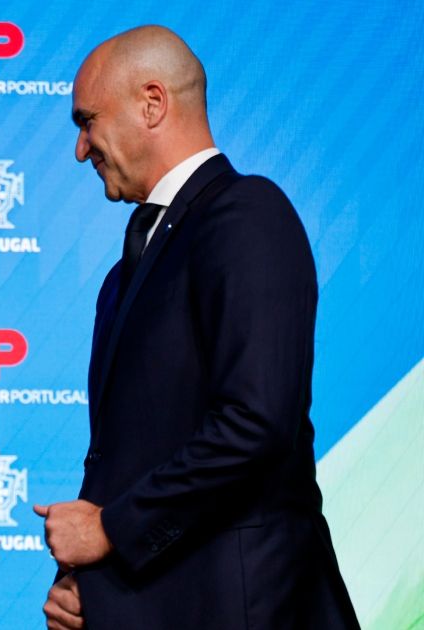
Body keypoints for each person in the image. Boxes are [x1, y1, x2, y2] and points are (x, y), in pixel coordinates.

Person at [31, 26, 359, 630]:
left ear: (152, 103)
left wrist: (110, 531)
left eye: (87, 121)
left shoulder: (247, 213)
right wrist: (86, 585)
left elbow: (255, 424)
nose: (80, 149)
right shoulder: (123, 275)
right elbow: (130, 457)